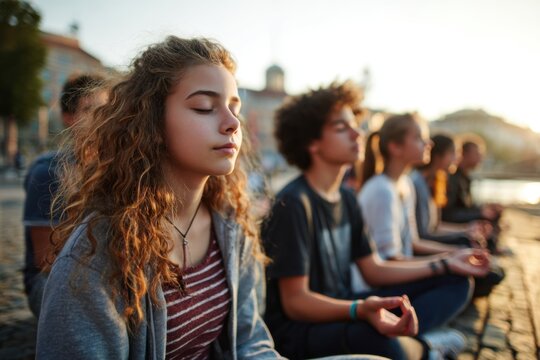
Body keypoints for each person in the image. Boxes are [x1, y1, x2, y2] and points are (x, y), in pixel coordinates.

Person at [36, 36, 283, 359]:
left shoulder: (231, 223)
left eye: (235, 108)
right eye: (204, 108)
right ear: (152, 122)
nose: (232, 124)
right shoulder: (96, 254)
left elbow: (249, 343)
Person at [263, 83, 490, 360]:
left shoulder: (346, 198)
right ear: (312, 142)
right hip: (303, 329)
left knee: (455, 280)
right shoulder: (295, 203)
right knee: (374, 338)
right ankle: (425, 349)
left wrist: (446, 263)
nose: (357, 132)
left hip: (348, 304)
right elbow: (296, 303)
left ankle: (412, 344)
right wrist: (359, 310)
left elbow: (374, 269)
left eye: (355, 124)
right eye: (341, 128)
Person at [22, 74, 106, 317]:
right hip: (50, 283)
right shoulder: (48, 172)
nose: (101, 118)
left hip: (99, 274)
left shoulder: (116, 168)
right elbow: (46, 262)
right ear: (69, 118)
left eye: (108, 109)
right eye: (90, 109)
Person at [410, 134, 504, 297]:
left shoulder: (437, 181)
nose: (457, 158)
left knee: (491, 268)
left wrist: (467, 229)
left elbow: (437, 225)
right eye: (453, 153)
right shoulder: (417, 183)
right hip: (421, 249)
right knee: (486, 273)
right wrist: (456, 250)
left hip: (430, 242)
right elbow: (423, 234)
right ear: (438, 156)